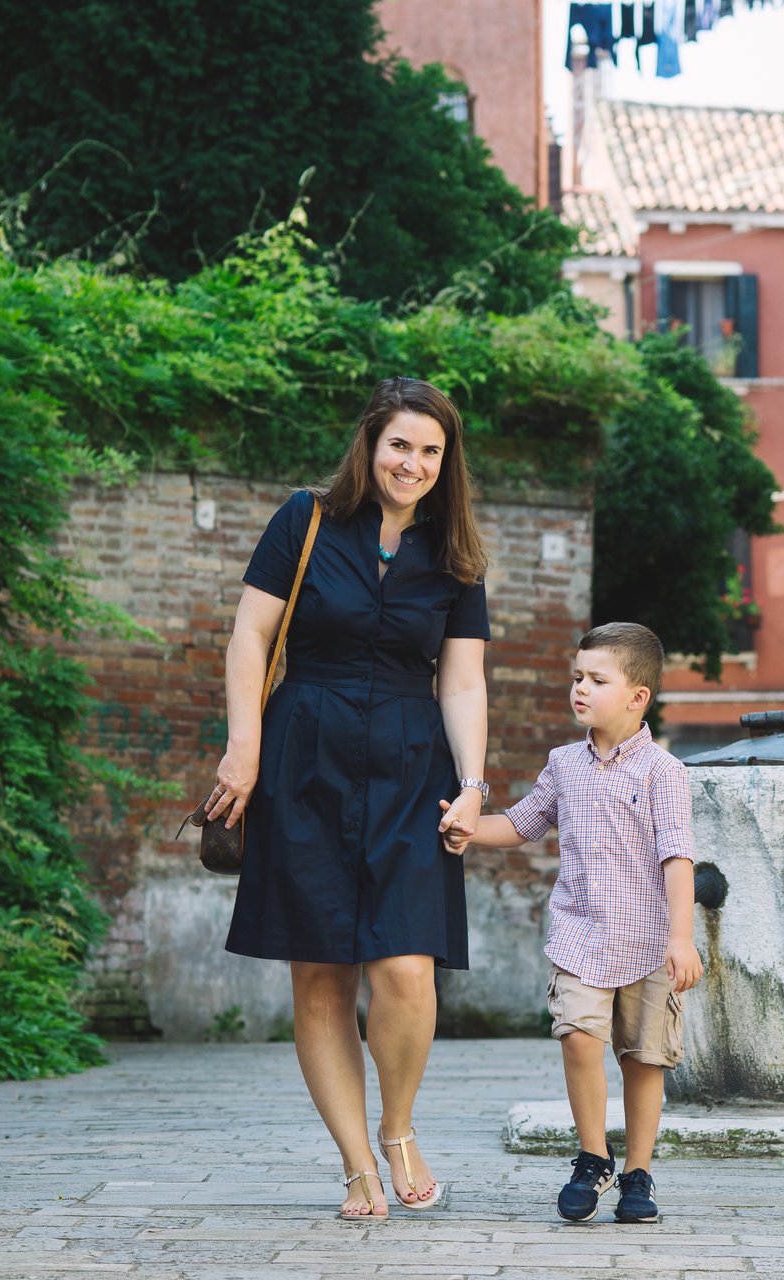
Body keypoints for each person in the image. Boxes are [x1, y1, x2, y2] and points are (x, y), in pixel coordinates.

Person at [205, 377, 491, 1221]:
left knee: (406, 968)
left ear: (448, 461)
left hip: (411, 764)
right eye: (400, 444)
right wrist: (244, 752)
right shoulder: (306, 519)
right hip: (303, 755)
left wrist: (472, 784)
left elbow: (464, 680)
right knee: (321, 973)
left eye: (431, 451)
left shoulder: (455, 553)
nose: (414, 463)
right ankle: (357, 1162)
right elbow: (252, 634)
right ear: (370, 444)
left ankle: (398, 1129)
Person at [444, 622, 701, 1224]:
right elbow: (523, 822)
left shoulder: (663, 772)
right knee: (579, 1039)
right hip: (580, 935)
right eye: (576, 678)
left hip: (647, 943)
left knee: (643, 1058)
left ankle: (638, 1173)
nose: (579, 690)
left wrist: (681, 937)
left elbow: (678, 858)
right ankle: (593, 1157)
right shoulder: (564, 764)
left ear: (638, 696)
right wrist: (467, 829)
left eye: (596, 680)